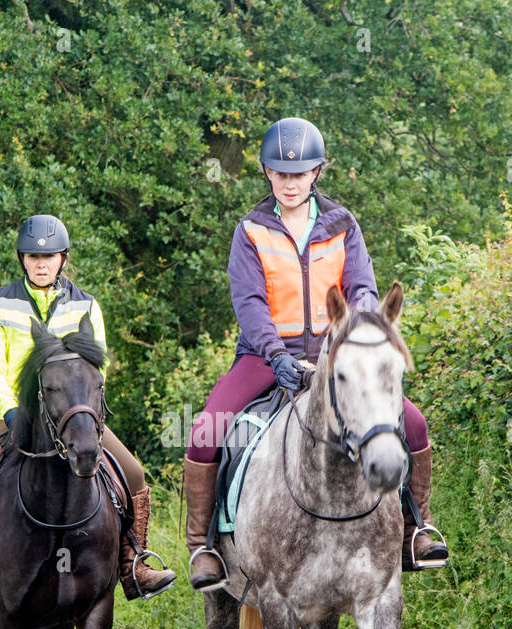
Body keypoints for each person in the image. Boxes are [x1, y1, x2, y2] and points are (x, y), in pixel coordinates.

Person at [183, 118, 449, 591]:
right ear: (267, 173)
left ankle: (417, 527)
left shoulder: (342, 224)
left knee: (413, 424)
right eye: (281, 173)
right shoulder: (251, 231)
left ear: (317, 173)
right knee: (207, 428)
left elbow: (363, 288)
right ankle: (202, 547)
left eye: (300, 173)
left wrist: (355, 335)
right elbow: (250, 303)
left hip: (335, 355)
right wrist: (276, 356)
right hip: (266, 357)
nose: (290, 182)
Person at [0, 214, 176, 600]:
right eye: (33, 258)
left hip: (73, 417)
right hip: (13, 416)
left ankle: (134, 561)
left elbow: (97, 368)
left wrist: (83, 411)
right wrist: (8, 407)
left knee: (133, 473)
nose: (41, 264)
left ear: (63, 259)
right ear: (22, 260)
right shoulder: (1, 303)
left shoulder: (86, 306)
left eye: (49, 257)